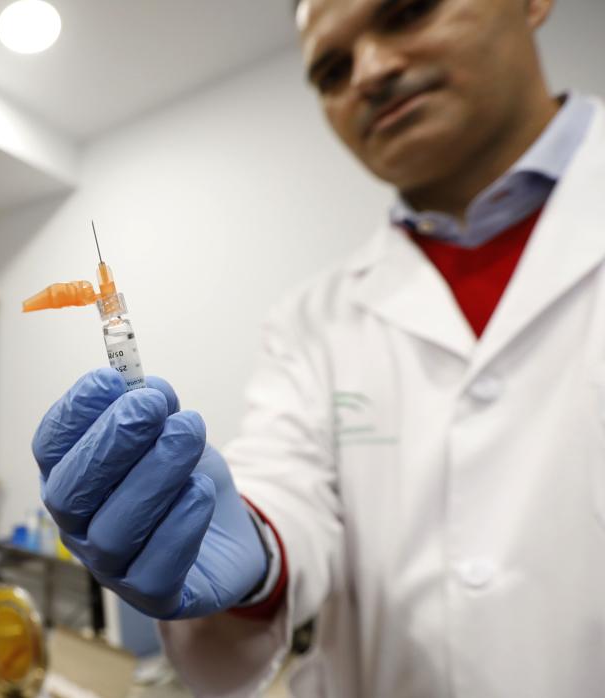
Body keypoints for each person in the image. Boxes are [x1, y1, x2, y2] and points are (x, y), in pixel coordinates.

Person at [32, 0, 603, 695]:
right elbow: (285, 486)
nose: (369, 70)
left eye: (408, 11)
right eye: (331, 70)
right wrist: (255, 543)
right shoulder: (312, 317)